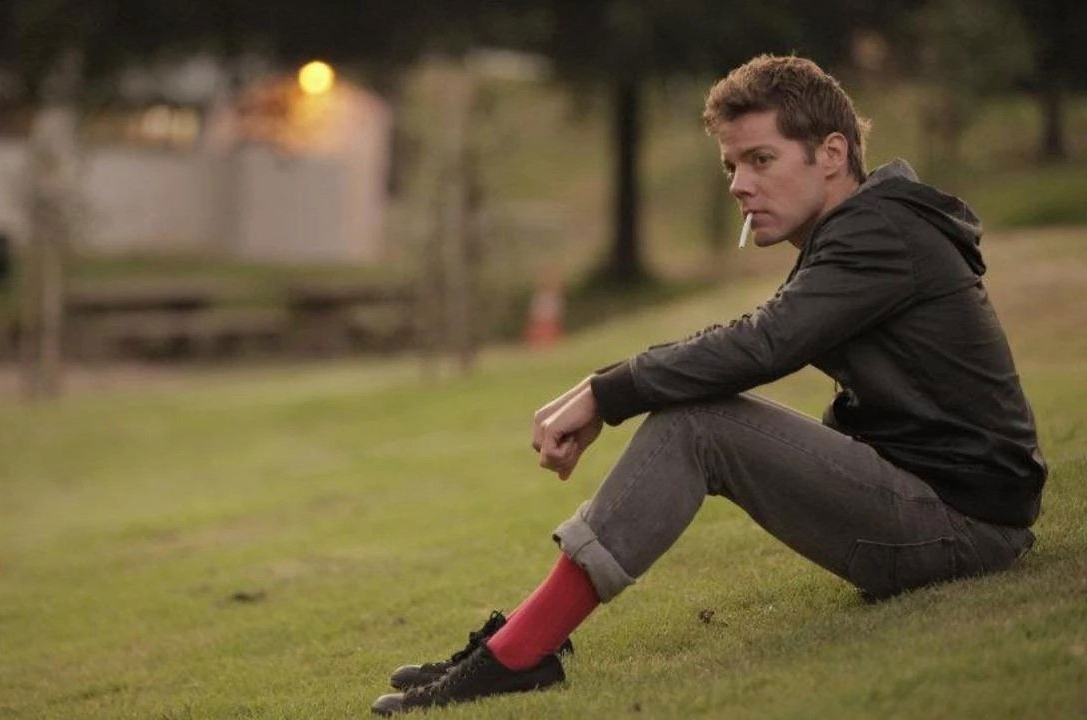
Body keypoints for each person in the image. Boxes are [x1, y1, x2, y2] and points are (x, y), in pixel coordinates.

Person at [370, 54, 1046, 716]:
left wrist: (606, 393)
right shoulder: (864, 229)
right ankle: (524, 639)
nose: (739, 185)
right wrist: (610, 387)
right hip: (941, 509)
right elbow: (758, 338)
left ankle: (520, 653)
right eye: (731, 166)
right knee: (696, 414)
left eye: (761, 159)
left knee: (697, 425)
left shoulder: (879, 234)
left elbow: (762, 344)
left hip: (963, 527)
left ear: (831, 153)